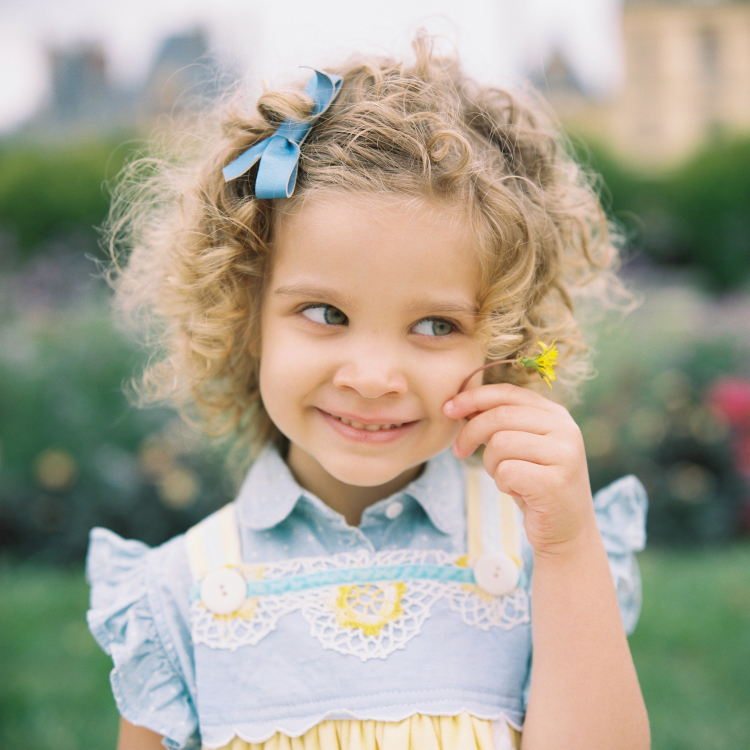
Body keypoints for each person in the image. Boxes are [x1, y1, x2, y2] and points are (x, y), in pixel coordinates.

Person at [86, 35, 650, 750]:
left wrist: (568, 547)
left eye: (435, 324)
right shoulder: (177, 595)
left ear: (503, 340)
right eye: (326, 314)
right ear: (245, 312)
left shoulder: (542, 557)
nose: (373, 376)